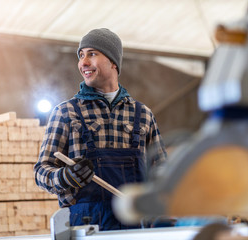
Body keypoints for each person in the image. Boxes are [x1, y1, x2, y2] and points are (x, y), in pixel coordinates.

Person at [34, 28, 167, 231]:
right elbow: (41, 171)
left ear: (113, 62)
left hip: (137, 228)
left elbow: (162, 173)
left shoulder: (143, 115)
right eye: (81, 55)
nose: (83, 63)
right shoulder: (66, 113)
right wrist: (64, 176)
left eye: (92, 54)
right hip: (86, 228)